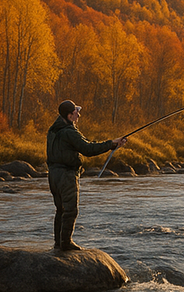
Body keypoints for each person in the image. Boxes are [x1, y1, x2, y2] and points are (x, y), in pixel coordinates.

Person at [46, 100, 127, 251]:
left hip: (53, 175)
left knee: (60, 210)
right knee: (70, 210)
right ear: (69, 116)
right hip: (66, 175)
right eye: (76, 112)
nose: (79, 114)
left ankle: (58, 243)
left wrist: (113, 143)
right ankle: (66, 243)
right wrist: (111, 144)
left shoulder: (53, 130)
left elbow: (86, 144)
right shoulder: (69, 132)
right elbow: (88, 149)